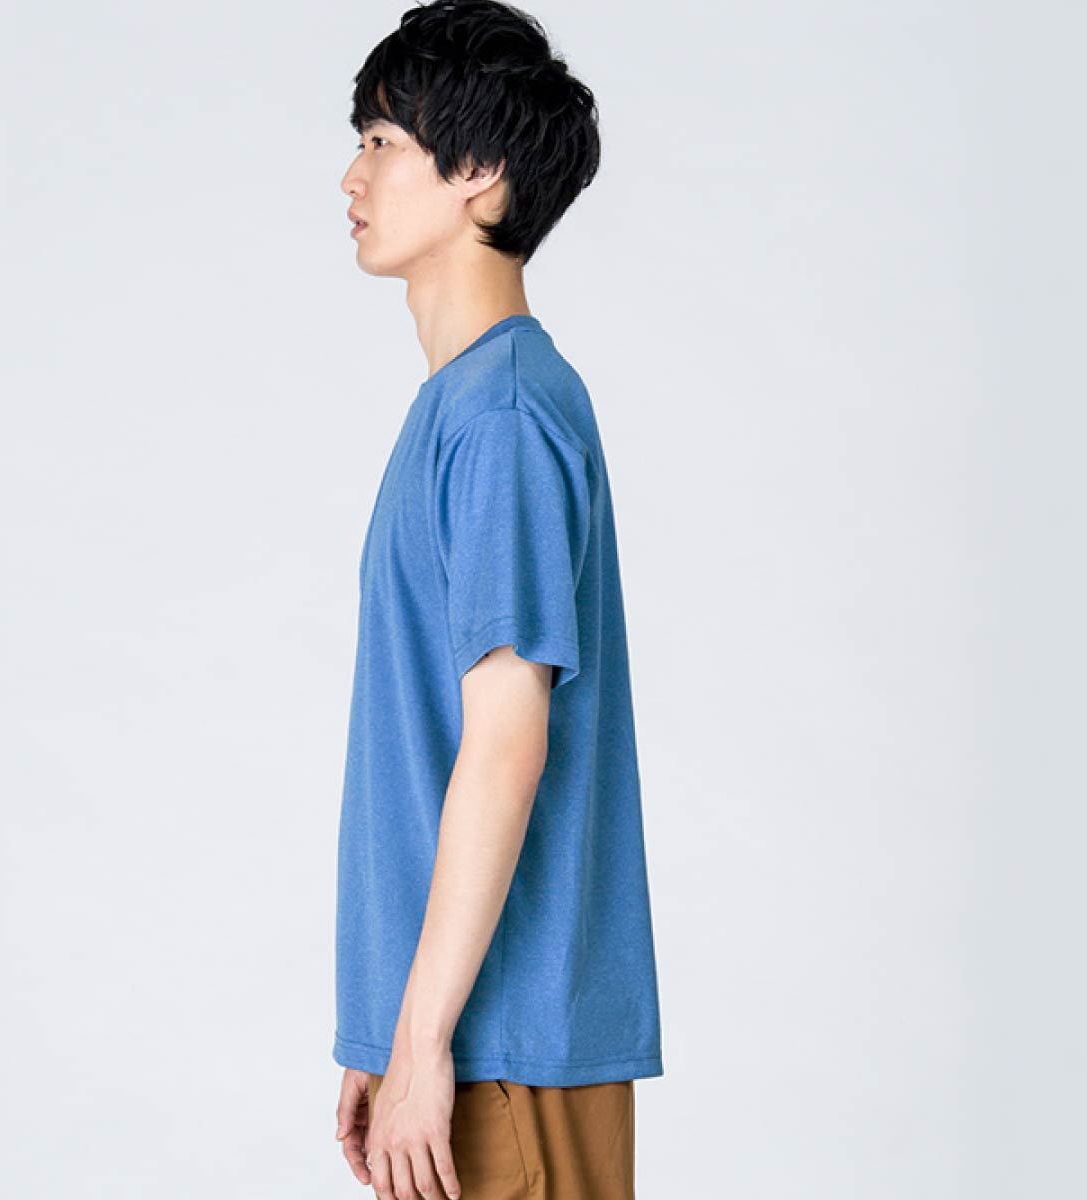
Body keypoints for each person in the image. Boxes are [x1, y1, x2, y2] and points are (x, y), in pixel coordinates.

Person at [331, 3, 663, 1196]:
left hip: (503, 1047)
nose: (351, 176)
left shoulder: (504, 416)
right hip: (467, 1038)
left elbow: (507, 741)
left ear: (478, 172)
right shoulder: (464, 408)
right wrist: (387, 1029)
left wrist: (422, 1041)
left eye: (382, 141)